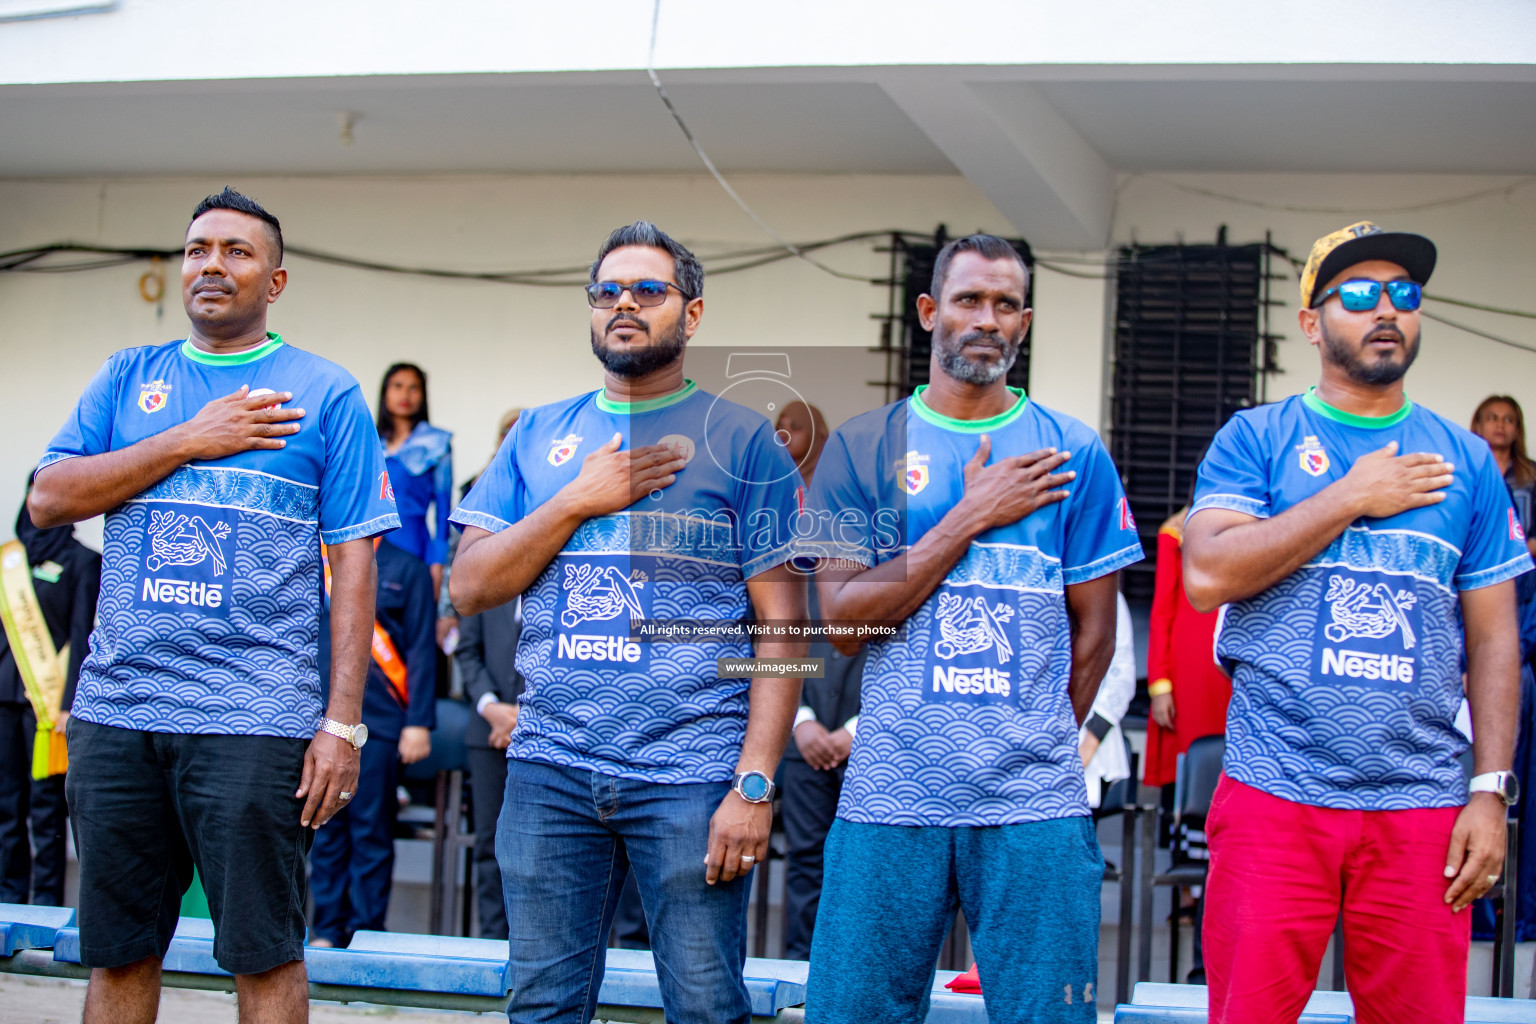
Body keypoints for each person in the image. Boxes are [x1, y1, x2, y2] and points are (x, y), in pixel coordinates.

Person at [27, 186, 398, 1023]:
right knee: (118, 955)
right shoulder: (128, 376)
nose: (211, 265)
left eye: (236, 251)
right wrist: (191, 438)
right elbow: (48, 498)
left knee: (264, 956)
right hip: (118, 711)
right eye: (198, 249)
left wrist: (342, 726)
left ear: (276, 281)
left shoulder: (324, 392)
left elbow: (355, 566)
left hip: (254, 719)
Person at [448, 221, 806, 1024]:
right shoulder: (539, 435)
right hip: (550, 769)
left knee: (707, 1008)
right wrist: (577, 499)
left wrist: (754, 782)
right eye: (607, 290)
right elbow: (469, 587)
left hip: (692, 775)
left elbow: (783, 629)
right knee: (542, 1007)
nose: (624, 305)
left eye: (648, 290)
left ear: (694, 313)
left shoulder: (743, 440)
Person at [1182, 222, 1527, 1024]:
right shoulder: (1257, 439)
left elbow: (1495, 639)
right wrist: (1348, 496)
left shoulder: (1466, 462)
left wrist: (1489, 793)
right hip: (1275, 790)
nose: (1387, 310)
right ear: (1311, 322)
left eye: (1405, 294)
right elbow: (1207, 575)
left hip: (1421, 805)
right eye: (1360, 293)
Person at [802, 234, 1143, 1022]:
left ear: (1023, 323)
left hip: (1032, 801)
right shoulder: (863, 444)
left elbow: (1094, 634)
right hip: (892, 788)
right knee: (853, 1011)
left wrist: (1033, 739)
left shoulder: (1073, 452)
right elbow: (845, 623)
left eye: (1004, 305)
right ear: (929, 312)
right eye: (968, 300)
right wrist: (968, 515)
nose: (986, 319)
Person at [309, 539, 438, 948]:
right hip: (318, 719)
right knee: (323, 826)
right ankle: (326, 928)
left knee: (371, 831)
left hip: (380, 723)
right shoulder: (317, 560)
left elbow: (421, 649)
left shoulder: (408, 568)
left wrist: (418, 723)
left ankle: (366, 934)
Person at [777, 399, 864, 961]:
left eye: (801, 436)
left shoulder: (866, 527)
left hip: (868, 735)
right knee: (804, 856)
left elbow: (887, 630)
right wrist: (801, 722)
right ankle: (799, 971)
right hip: (800, 731)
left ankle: (848, 969)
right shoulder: (772, 529)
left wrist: (857, 727)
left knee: (858, 862)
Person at [0, 472, 100, 905]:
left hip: (48, 707)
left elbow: (81, 635)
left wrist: (67, 704)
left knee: (45, 810)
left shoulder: (83, 561)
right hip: (4, 697)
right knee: (6, 808)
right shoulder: (9, 560)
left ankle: (43, 907)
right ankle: (6, 901)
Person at [1142, 505, 1231, 789]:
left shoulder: (1259, 524)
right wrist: (1160, 684)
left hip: (1234, 666)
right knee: (1187, 770)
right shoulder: (1177, 531)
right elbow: (1162, 612)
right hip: (1190, 670)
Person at [456, 592, 524, 941]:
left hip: (544, 735)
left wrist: (521, 719)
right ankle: (493, 941)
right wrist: (492, 709)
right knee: (489, 844)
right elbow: (466, 651)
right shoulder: (489, 581)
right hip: (486, 733)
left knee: (538, 849)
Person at [377, 362, 456, 649]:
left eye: (414, 387)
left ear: (423, 395)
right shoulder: (370, 442)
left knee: (413, 641)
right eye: (398, 386)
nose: (405, 394)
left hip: (415, 548)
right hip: (371, 548)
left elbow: (445, 511)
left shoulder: (437, 444)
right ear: (385, 392)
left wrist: (437, 563)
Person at [1470, 394, 1536, 558]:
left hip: (1525, 569)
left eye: (1508, 420)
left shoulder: (1532, 473)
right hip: (1476, 566)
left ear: (1517, 430)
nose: (1500, 425)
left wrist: (1518, 555)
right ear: (1478, 425)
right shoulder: (1467, 472)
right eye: (1493, 418)